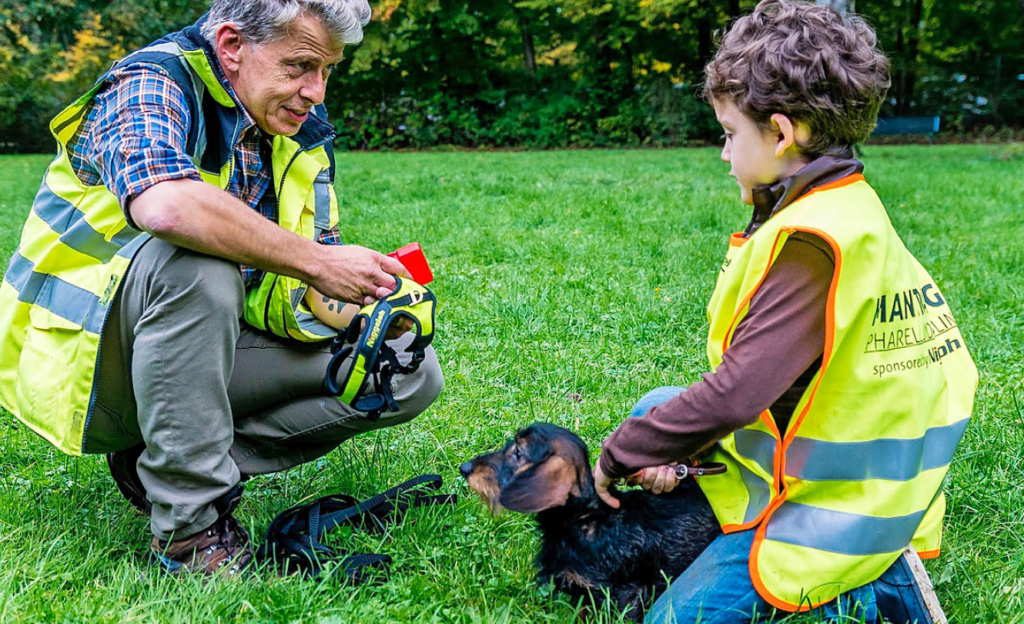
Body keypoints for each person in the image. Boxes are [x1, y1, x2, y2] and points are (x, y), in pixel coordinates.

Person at [0, 0, 443, 576]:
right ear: (232, 44)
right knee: (197, 265)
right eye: (300, 66)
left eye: (327, 71)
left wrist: (365, 302)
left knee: (402, 369)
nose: (316, 92)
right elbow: (166, 204)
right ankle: (189, 530)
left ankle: (160, 464)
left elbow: (296, 282)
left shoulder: (297, 133)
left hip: (189, 362)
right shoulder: (149, 83)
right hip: (84, 367)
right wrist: (316, 262)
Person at [592, 1, 977, 622]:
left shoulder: (809, 246)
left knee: (672, 619)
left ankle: (871, 584)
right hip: (855, 453)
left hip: (844, 502)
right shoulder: (838, 201)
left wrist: (619, 455)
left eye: (729, 133)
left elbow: (735, 396)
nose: (723, 154)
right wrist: (662, 438)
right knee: (656, 411)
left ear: (780, 132)